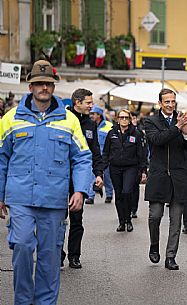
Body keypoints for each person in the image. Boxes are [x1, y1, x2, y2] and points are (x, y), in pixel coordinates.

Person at [0, 60, 92, 304]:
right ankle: (22, 300)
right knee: (21, 245)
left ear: (53, 86)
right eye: (38, 83)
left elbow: (82, 157)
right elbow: (1, 158)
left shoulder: (69, 120)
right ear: (30, 87)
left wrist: (81, 190)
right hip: (20, 197)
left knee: (50, 257)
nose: (43, 87)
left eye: (48, 83)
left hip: (53, 199)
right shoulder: (10, 119)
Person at [144, 88, 187, 270]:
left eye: (173, 101)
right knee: (154, 216)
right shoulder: (150, 121)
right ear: (160, 103)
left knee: (176, 220)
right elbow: (158, 140)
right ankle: (154, 245)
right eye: (167, 102)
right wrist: (178, 128)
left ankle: (171, 256)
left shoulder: (181, 120)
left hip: (179, 177)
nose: (171, 105)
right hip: (159, 176)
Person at [61, 88, 104, 270]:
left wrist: (99, 173)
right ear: (77, 102)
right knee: (58, 218)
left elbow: (95, 151)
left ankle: (74, 256)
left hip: (80, 177)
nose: (91, 106)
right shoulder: (62, 119)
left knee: (77, 219)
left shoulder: (90, 124)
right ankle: (57, 254)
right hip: (60, 176)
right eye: (88, 102)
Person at [103, 109, 147, 232]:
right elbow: (106, 152)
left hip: (130, 167)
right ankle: (121, 221)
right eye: (121, 117)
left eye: (126, 118)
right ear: (117, 119)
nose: (123, 120)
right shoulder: (112, 133)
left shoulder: (136, 134)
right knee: (119, 195)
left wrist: (143, 170)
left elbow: (141, 154)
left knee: (127, 192)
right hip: (115, 167)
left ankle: (128, 220)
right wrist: (102, 169)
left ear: (129, 119)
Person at [89, 105, 114, 204]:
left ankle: (109, 195)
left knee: (107, 176)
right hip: (93, 155)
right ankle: (90, 196)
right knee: (92, 176)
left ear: (99, 115)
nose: (91, 116)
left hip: (105, 155)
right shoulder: (90, 125)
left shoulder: (108, 126)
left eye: (93, 114)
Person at [130, 111, 148, 218]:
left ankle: (133, 209)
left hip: (137, 164)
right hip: (124, 164)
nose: (133, 121)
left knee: (134, 188)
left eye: (134, 118)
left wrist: (144, 168)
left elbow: (144, 150)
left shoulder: (140, 133)